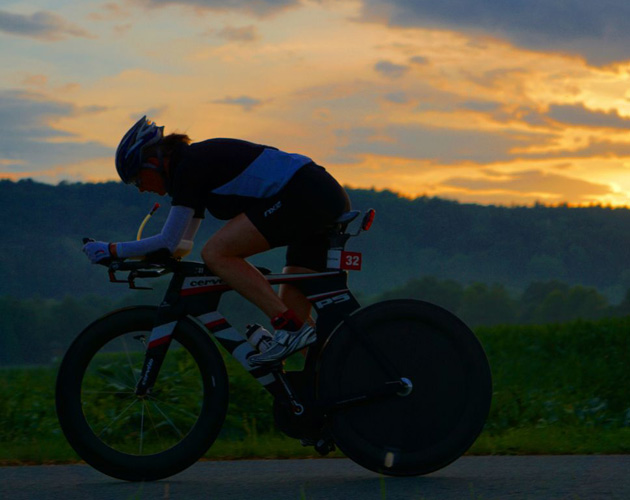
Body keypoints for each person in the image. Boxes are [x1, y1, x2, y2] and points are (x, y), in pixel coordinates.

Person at [83, 116, 350, 365]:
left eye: (137, 180)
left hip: (307, 193)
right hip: (318, 193)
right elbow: (180, 245)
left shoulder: (189, 166)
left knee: (217, 253)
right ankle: (346, 376)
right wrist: (138, 257)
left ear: (153, 161)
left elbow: (168, 241)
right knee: (301, 325)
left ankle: (286, 326)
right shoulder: (189, 170)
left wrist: (111, 250)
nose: (141, 189)